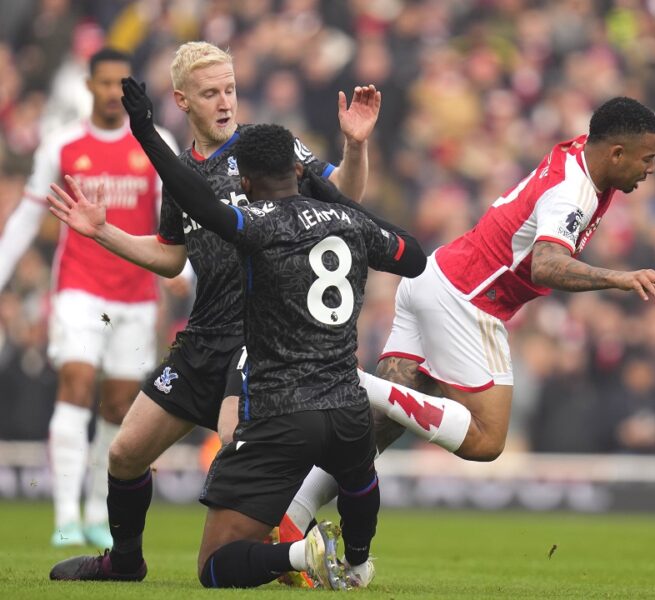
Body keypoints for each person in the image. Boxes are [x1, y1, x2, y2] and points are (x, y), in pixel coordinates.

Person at [279, 96, 655, 539]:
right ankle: (351, 379)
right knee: (486, 440)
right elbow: (547, 264)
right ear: (617, 153)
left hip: (435, 275)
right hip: (467, 298)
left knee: (376, 431)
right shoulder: (571, 194)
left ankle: (291, 517)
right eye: (646, 160)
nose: (651, 168)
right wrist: (620, 278)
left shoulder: (601, 148)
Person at [53, 82, 426, 588]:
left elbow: (203, 205)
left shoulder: (256, 223)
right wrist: (340, 201)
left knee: (214, 565)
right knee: (359, 474)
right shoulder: (347, 221)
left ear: (245, 182)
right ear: (299, 171)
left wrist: (145, 131)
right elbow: (413, 256)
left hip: (281, 402)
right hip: (344, 402)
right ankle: (358, 562)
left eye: (229, 88)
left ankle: (300, 553)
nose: (225, 100)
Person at [0, 48, 176, 549]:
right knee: (76, 383)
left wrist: (184, 271)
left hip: (136, 295)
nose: (112, 93)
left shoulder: (155, 144)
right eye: (104, 83)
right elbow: (29, 215)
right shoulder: (62, 144)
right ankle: (64, 515)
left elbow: (174, 221)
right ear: (88, 85)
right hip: (79, 287)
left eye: (121, 84)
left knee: (118, 405)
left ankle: (98, 510)